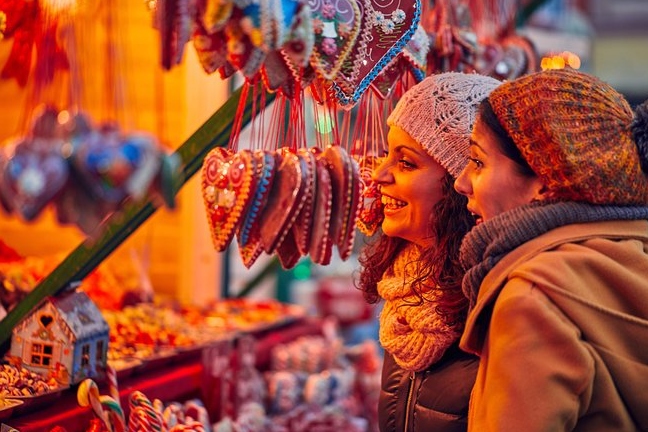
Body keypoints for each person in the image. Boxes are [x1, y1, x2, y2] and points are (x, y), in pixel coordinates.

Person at [454, 67, 648, 431]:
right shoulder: (634, 254)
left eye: (478, 162)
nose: (462, 181)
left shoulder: (533, 298)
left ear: (545, 182)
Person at [357, 72, 501, 432]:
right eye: (386, 155)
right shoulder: (405, 295)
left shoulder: (497, 306)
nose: (379, 175)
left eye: (406, 163)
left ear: (462, 185)